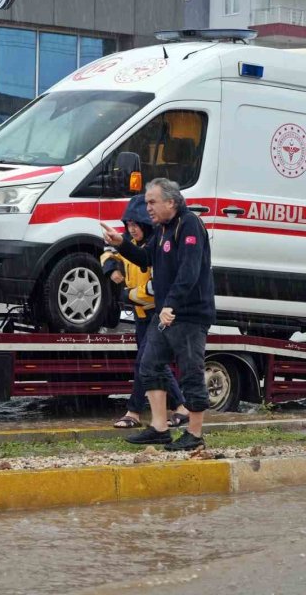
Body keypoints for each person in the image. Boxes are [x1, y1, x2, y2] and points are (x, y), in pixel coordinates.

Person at [101, 177, 215, 451]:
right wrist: (121, 244)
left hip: (188, 315)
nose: (147, 207)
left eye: (152, 202)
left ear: (171, 202)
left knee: (190, 372)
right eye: (147, 202)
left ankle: (195, 434)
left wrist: (170, 304)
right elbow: (145, 259)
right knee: (150, 365)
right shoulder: (161, 229)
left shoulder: (189, 224)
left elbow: (190, 271)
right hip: (165, 314)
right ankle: (160, 428)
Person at [100, 194, 190, 429]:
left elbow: (153, 290)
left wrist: (126, 294)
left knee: (144, 364)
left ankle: (134, 412)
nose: (131, 229)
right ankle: (181, 407)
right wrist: (112, 268)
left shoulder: (156, 248)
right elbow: (108, 252)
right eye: (128, 225)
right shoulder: (130, 243)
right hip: (140, 317)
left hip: (154, 315)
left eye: (135, 225)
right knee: (153, 364)